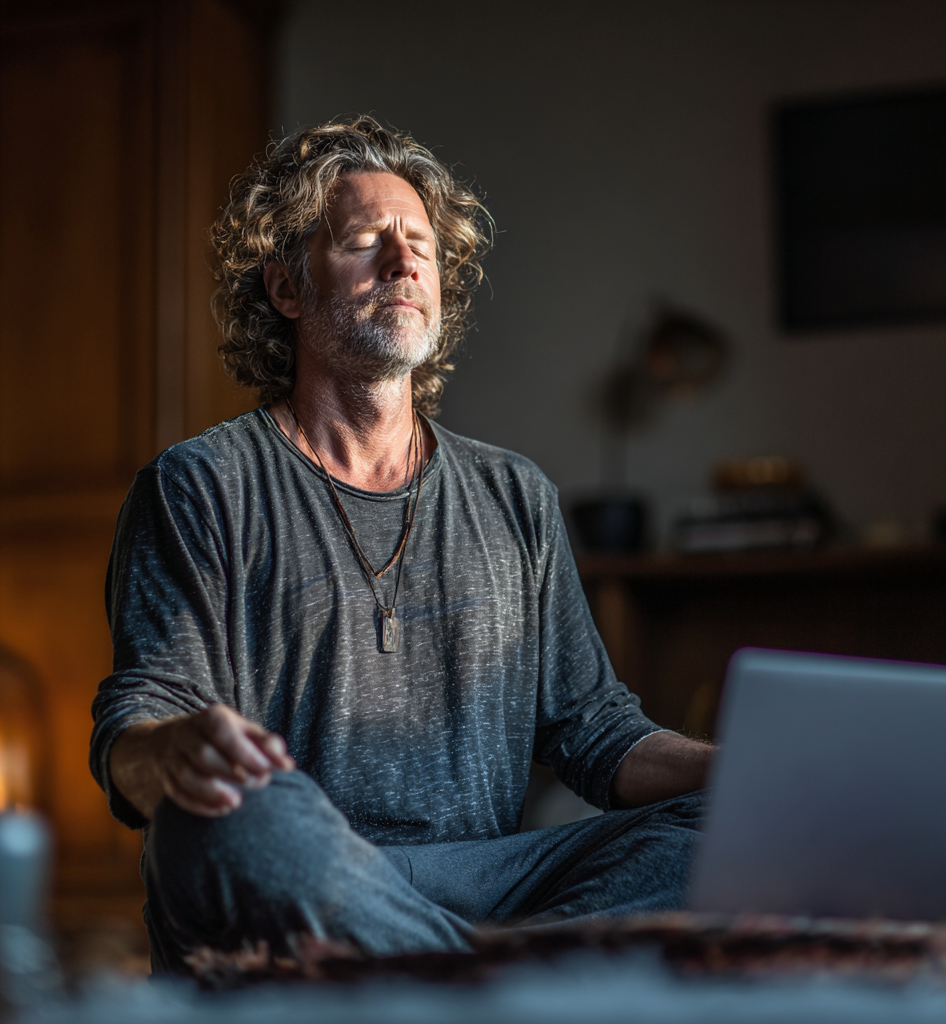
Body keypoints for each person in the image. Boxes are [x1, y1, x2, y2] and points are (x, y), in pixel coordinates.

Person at [89, 117, 714, 973]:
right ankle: (510, 979)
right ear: (286, 287)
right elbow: (138, 721)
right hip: (313, 868)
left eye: (420, 245)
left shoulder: (515, 493)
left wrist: (745, 773)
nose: (403, 262)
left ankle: (439, 977)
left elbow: (597, 733)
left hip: (494, 882)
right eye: (363, 242)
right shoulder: (200, 485)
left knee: (715, 829)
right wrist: (166, 750)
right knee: (224, 828)